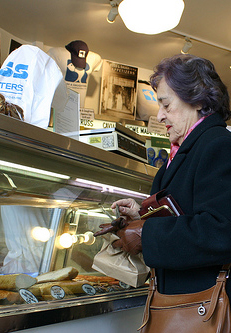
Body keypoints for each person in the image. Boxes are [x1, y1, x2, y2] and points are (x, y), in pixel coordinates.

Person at [99, 54, 231, 300]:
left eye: (166, 104)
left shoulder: (219, 145)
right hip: (180, 304)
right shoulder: (183, 152)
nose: (159, 115)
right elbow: (187, 212)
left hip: (203, 308)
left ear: (198, 100)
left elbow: (221, 231)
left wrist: (144, 235)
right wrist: (142, 217)